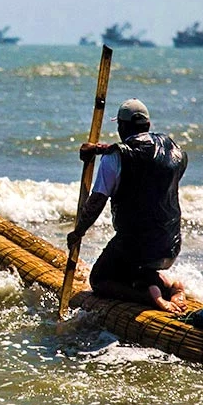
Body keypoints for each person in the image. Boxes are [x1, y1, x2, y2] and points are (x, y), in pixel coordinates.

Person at [67, 98, 188, 313]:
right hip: (170, 245)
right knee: (133, 270)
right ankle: (171, 286)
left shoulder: (115, 158)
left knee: (100, 279)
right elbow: (142, 156)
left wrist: (78, 232)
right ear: (148, 126)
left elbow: (96, 202)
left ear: (121, 127)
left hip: (137, 247)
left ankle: (148, 298)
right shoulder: (175, 151)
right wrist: (98, 149)